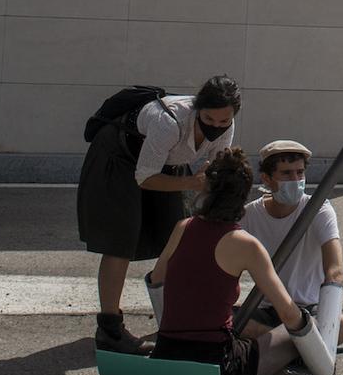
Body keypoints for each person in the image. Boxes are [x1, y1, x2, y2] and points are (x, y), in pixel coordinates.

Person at [78, 75, 241, 354]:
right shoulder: (170, 122)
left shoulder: (226, 125)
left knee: (178, 236)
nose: (215, 127)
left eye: (222, 122)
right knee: (121, 241)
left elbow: (214, 167)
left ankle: (179, 318)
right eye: (209, 119)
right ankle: (110, 329)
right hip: (119, 156)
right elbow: (144, 178)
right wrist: (191, 183)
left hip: (165, 163)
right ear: (198, 108)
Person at [148, 148, 304, 375]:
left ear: (205, 191)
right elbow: (287, 311)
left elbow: (156, 281)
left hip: (168, 351)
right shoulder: (246, 244)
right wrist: (311, 332)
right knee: (289, 336)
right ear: (243, 196)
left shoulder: (182, 227)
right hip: (218, 362)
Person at [238, 141, 343, 345]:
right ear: (266, 179)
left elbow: (335, 270)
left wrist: (329, 311)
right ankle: (302, 345)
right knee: (230, 321)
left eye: (300, 173)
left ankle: (279, 342)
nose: (296, 180)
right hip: (266, 307)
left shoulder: (319, 209)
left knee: (342, 326)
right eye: (287, 174)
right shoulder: (250, 215)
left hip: (309, 310)